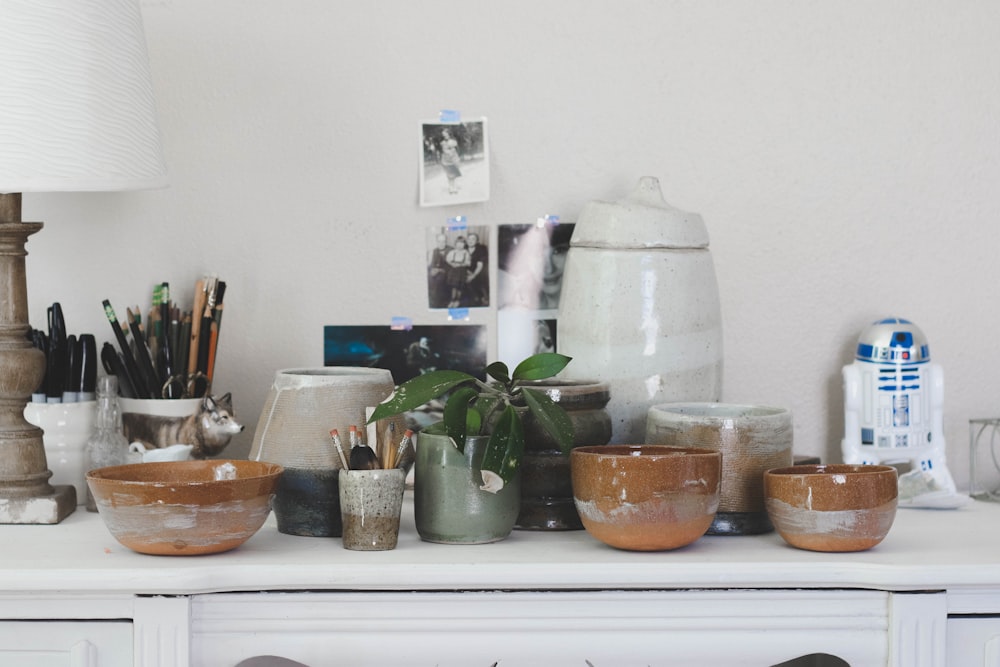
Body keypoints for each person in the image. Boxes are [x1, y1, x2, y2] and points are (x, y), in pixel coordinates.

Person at [445, 236, 471, 308]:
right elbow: (448, 260)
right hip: (453, 271)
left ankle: (457, 300)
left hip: (461, 271)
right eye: (458, 243)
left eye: (462, 243)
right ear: (455, 244)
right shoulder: (452, 252)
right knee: (454, 287)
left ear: (464, 244)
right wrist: (452, 264)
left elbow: (468, 263)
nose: (460, 245)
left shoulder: (465, 252)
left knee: (460, 287)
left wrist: (461, 264)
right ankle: (452, 300)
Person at [427, 232, 451, 308]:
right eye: (439, 241)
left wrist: (439, 270)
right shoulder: (433, 251)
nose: (441, 243)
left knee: (439, 280)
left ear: (446, 242)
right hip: (435, 271)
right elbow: (430, 264)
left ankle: (439, 303)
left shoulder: (451, 250)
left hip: (447, 272)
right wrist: (431, 270)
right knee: (429, 278)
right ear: (436, 242)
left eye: (443, 241)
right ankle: (433, 302)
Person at [465, 232, 489, 307]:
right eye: (469, 239)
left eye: (473, 239)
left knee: (481, 277)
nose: (470, 241)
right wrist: (466, 271)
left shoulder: (481, 249)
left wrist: (473, 275)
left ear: (477, 241)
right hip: (466, 270)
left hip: (478, 270)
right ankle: (475, 297)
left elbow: (480, 265)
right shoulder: (463, 248)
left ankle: (484, 297)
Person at [439, 128, 462, 195]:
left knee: (454, 175)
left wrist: (456, 158)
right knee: (449, 175)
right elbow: (443, 151)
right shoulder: (442, 143)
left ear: (449, 134)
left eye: (445, 134)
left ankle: (454, 187)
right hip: (445, 160)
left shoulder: (453, 141)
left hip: (453, 159)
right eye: (443, 135)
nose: (444, 135)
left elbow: (455, 150)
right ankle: (450, 188)